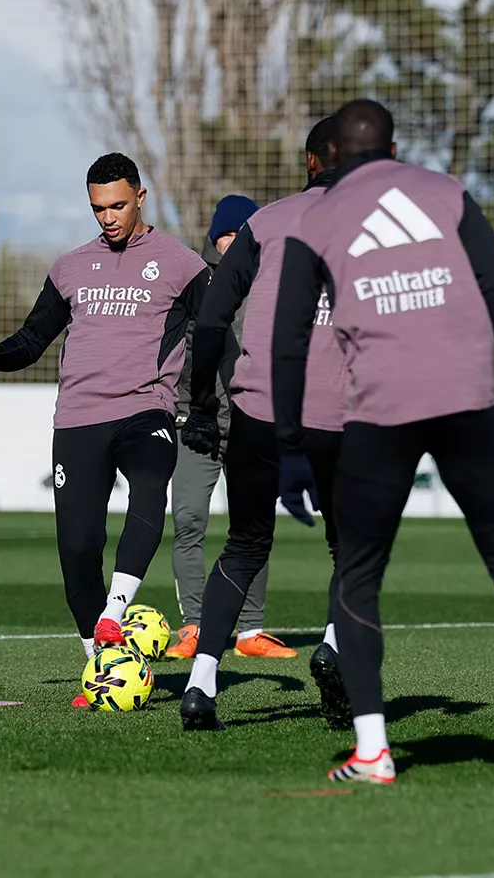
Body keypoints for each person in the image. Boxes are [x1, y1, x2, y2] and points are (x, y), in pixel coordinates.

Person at [270, 99, 494, 784]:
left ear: (331, 155)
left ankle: (374, 751)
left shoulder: (315, 216)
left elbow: (289, 336)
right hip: (468, 401)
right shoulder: (444, 192)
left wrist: (291, 444)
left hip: (380, 411)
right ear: (391, 144)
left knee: (358, 576)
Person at [0, 153, 209, 704]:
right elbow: (32, 340)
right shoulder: (70, 267)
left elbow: (215, 328)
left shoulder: (179, 262)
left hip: (147, 410)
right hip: (77, 420)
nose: (108, 217)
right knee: (77, 551)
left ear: (140, 197)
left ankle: (116, 611)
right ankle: (103, 665)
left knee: (151, 485)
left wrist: (213, 400)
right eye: (99, 208)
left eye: (118, 205)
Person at [178, 117, 356, 732]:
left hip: (256, 409)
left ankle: (201, 684)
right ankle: (333, 645)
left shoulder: (267, 221)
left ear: (310, 163)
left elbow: (209, 321)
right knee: (351, 548)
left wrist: (203, 406)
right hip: (341, 415)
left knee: (246, 544)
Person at [167, 193, 296, 662]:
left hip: (251, 425)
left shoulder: (275, 288)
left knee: (251, 528)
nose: (231, 244)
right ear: (212, 239)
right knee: (188, 521)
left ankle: (250, 631)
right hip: (197, 426)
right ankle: (195, 626)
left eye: (239, 236)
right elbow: (177, 352)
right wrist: (182, 411)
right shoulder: (194, 285)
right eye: (224, 236)